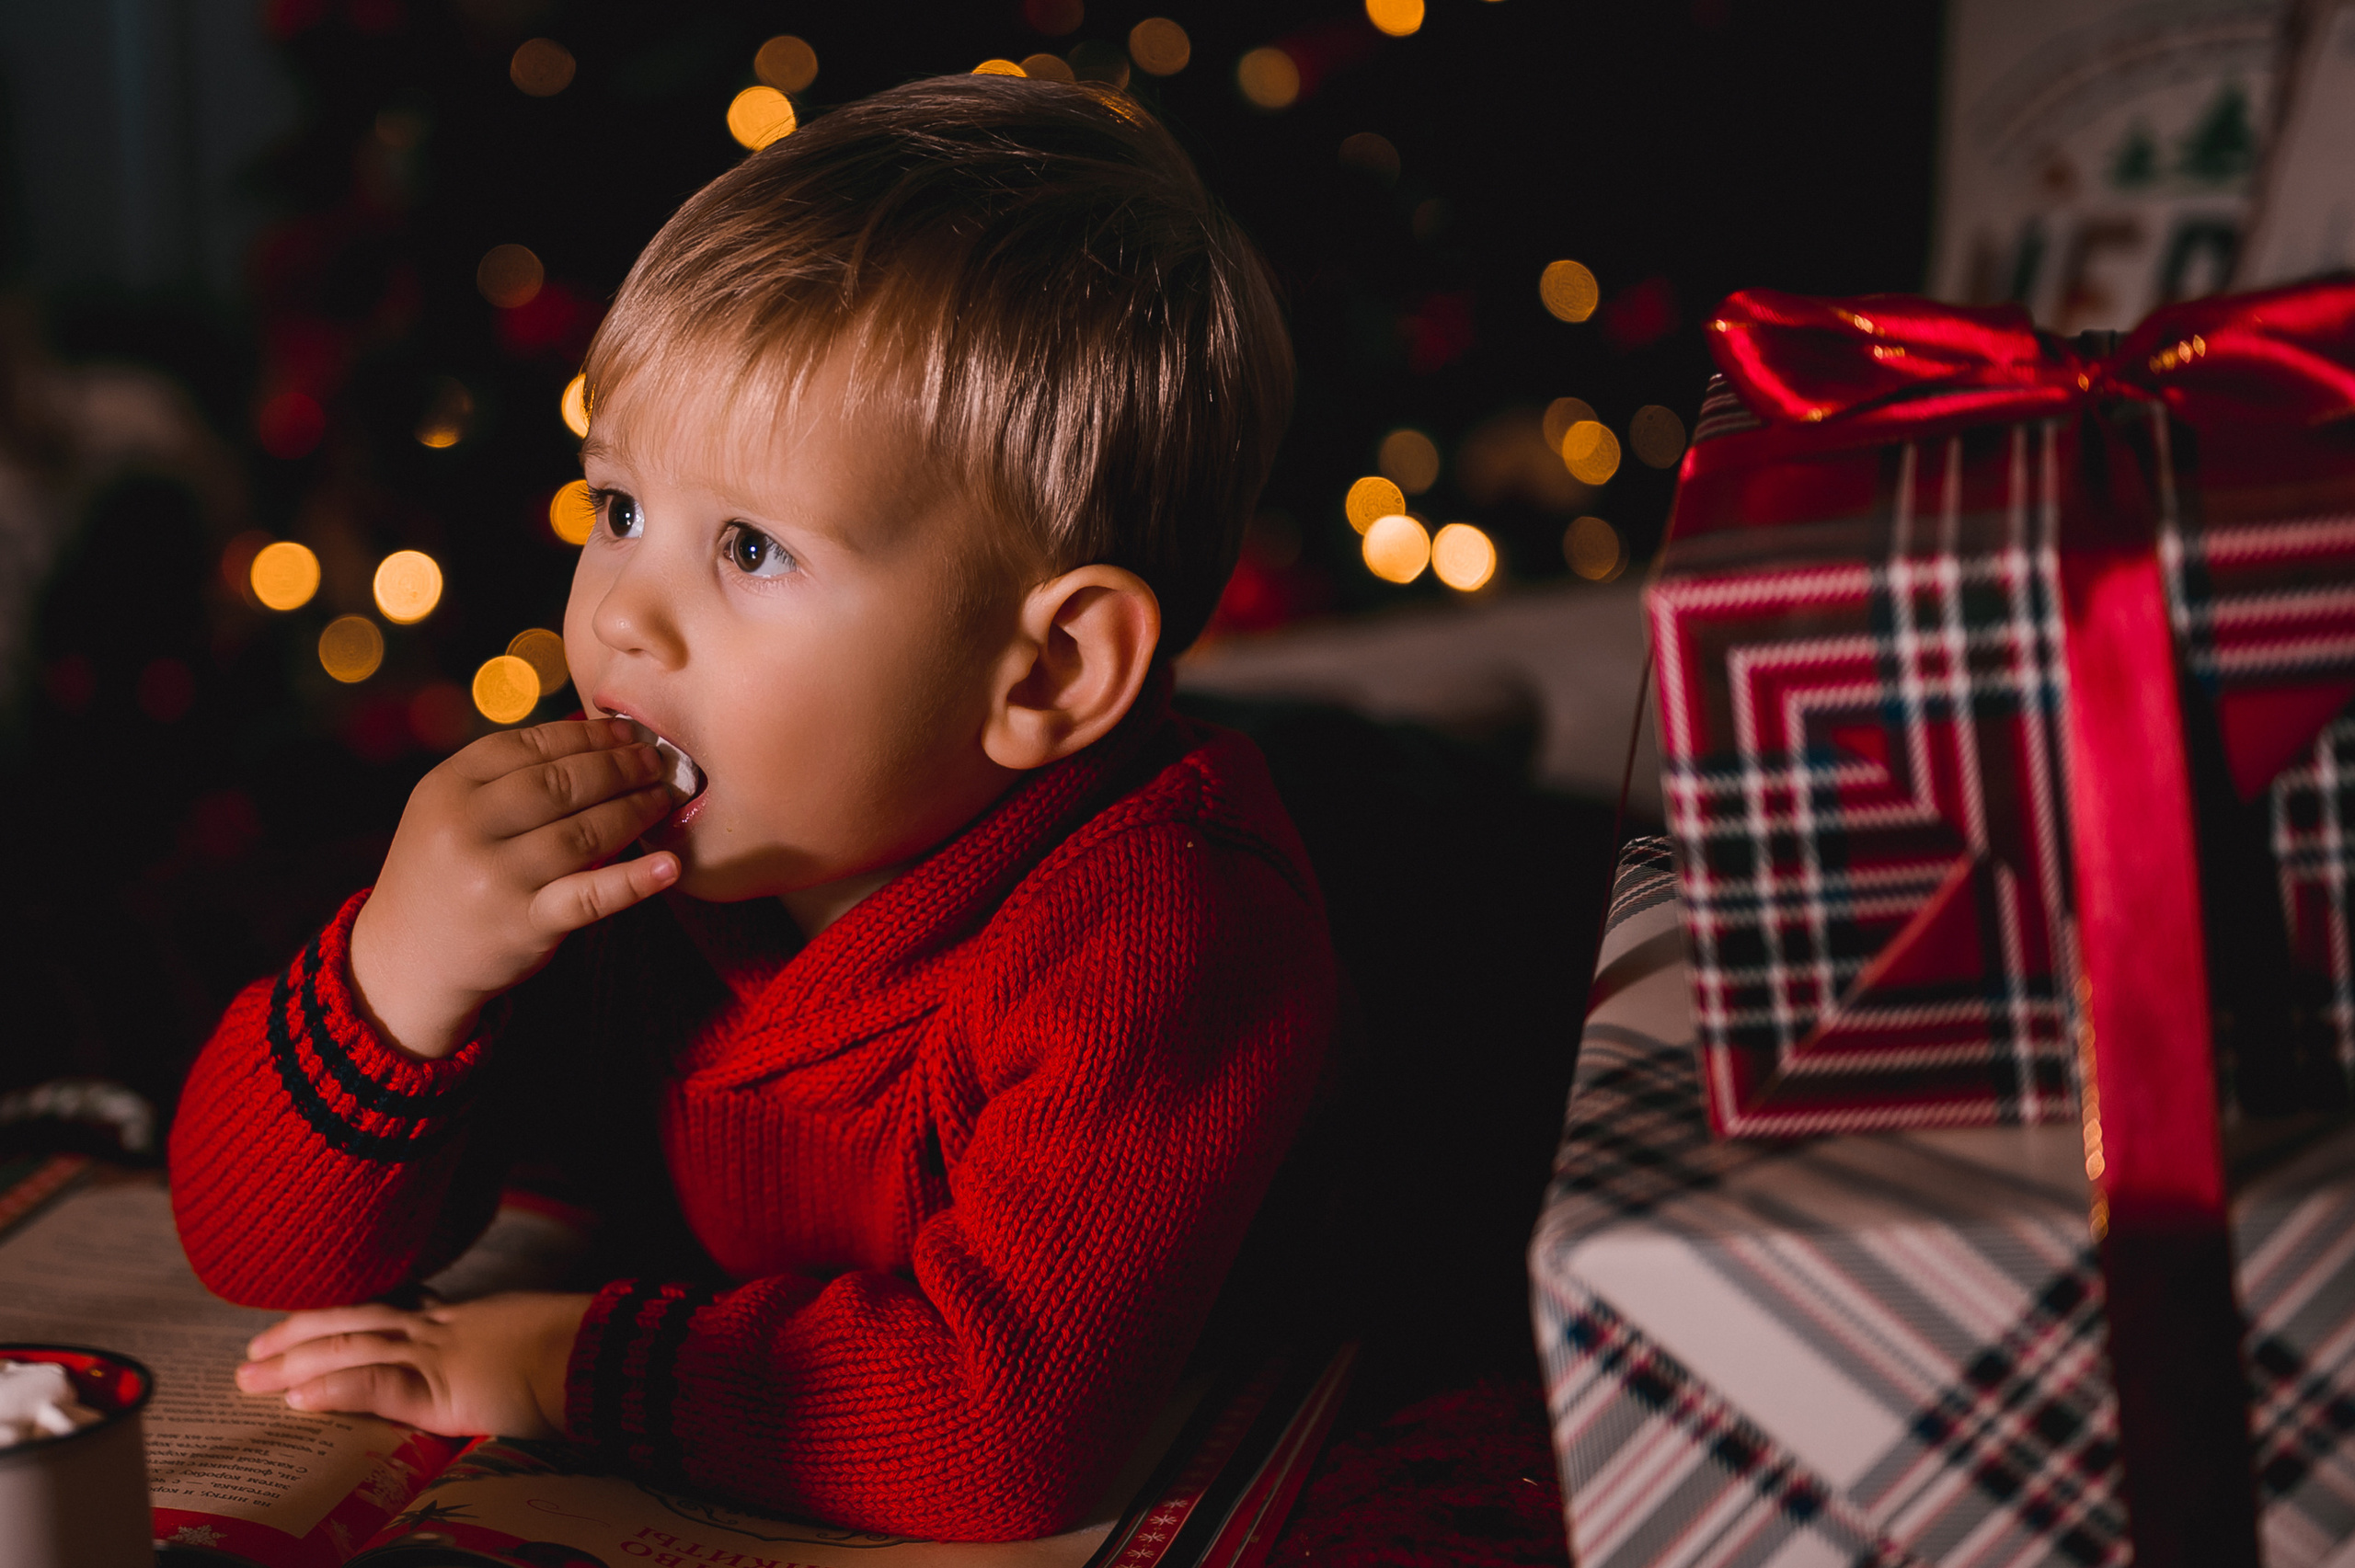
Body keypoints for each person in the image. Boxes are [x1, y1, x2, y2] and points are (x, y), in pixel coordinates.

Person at [167, 75, 1334, 1541]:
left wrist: (559, 1362)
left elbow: (1003, 1431)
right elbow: (258, 1255)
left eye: (751, 549)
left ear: (1045, 668)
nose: (623, 616)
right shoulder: (623, 861)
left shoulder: (1161, 935)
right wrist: (395, 976)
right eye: (618, 509)